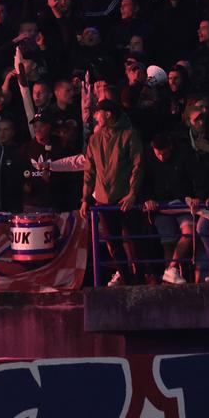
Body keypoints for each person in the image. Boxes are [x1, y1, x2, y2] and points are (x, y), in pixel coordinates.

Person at [82, 99, 144, 285]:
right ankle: (126, 278)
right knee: (113, 244)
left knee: (133, 241)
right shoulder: (94, 139)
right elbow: (89, 171)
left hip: (125, 199)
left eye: (98, 113)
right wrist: (85, 198)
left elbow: (138, 165)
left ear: (108, 114)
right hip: (103, 200)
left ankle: (139, 277)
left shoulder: (129, 134)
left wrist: (132, 193)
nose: (95, 117)